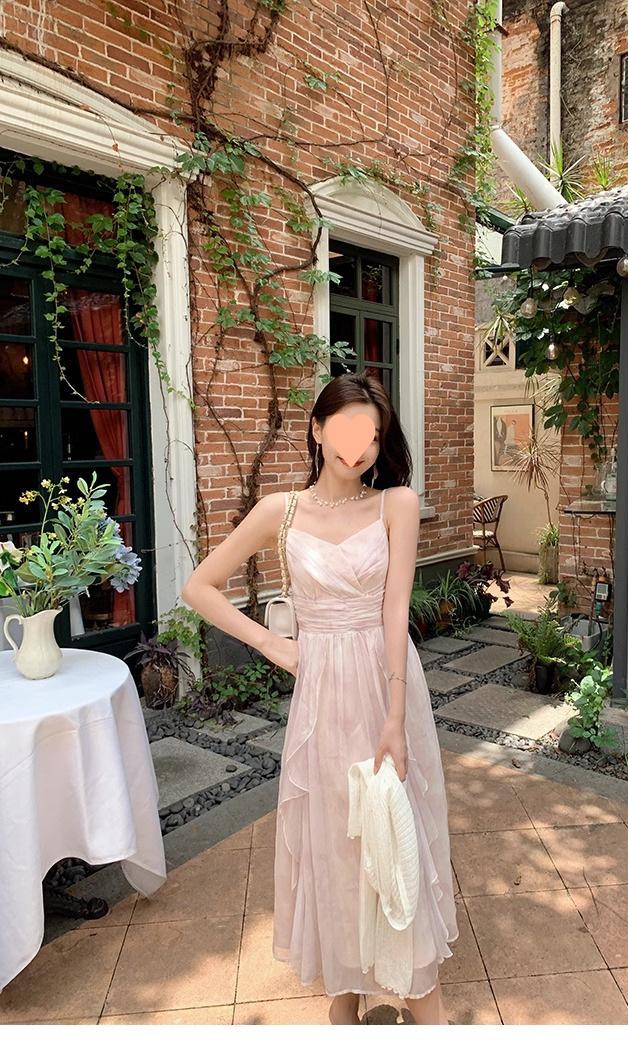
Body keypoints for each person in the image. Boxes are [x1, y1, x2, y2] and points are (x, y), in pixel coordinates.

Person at [181, 372, 458, 1024]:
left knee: (392, 831)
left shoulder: (397, 505)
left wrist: (395, 716)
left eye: (371, 436)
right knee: (335, 838)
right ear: (316, 429)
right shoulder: (280, 512)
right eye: (345, 430)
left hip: (385, 685)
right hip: (321, 696)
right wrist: (274, 646)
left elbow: (394, 612)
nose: (357, 448)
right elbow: (199, 587)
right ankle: (344, 995)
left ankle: (420, 996)